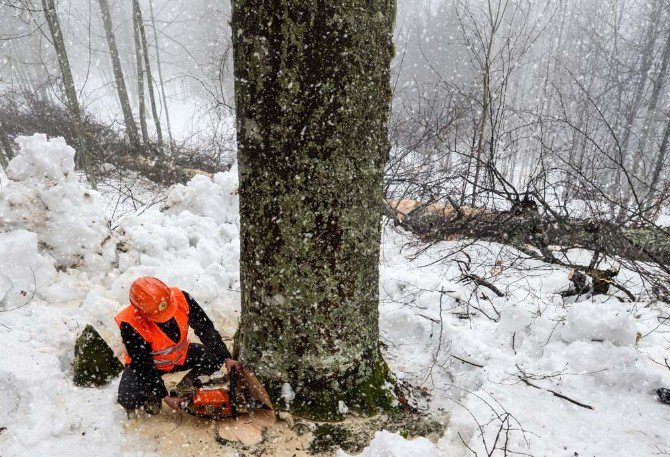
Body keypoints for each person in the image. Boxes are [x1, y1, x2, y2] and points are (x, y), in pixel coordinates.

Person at [115, 276, 240, 415]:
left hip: (181, 356)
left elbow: (205, 328)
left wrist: (226, 357)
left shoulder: (181, 299)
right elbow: (143, 364)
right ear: (141, 312)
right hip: (150, 367)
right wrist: (164, 395)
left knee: (215, 357)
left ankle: (187, 387)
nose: (167, 317)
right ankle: (152, 394)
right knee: (128, 399)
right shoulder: (131, 324)